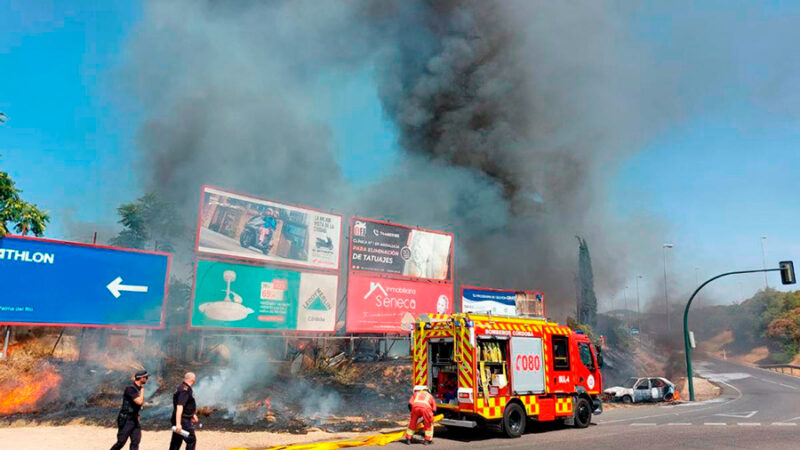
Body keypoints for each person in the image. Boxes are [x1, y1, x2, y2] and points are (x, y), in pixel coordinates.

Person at [110, 369, 148, 450]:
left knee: (135, 441)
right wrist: (142, 391)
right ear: (141, 378)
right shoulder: (130, 389)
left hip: (134, 419)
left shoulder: (138, 388)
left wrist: (137, 414)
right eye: (146, 377)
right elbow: (139, 402)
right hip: (126, 419)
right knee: (121, 442)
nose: (147, 379)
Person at [169, 372, 198, 450]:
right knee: (191, 440)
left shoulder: (182, 387)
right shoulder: (184, 390)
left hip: (182, 418)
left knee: (176, 441)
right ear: (193, 379)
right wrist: (178, 424)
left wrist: (192, 414)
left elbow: (186, 405)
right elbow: (180, 406)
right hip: (183, 420)